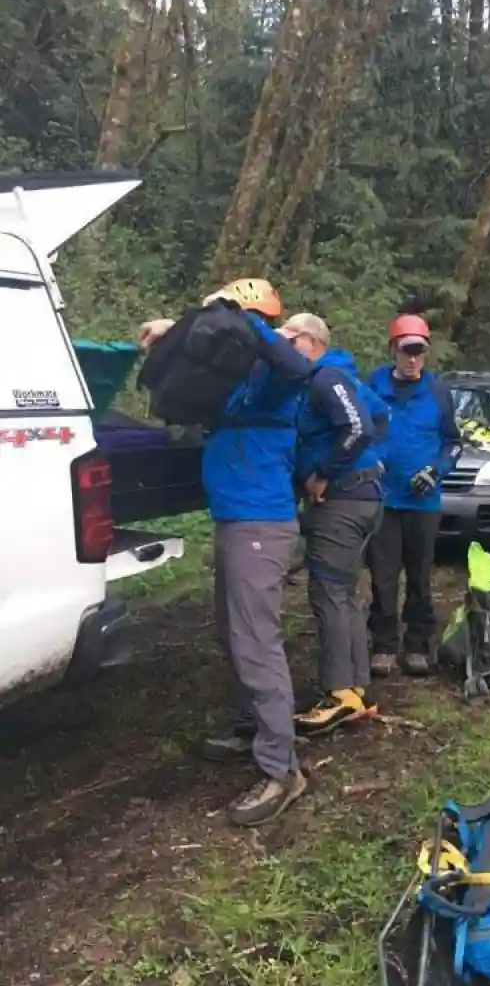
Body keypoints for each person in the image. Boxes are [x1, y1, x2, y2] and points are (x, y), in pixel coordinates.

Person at [139, 279, 315, 827]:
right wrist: (171, 333)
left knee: (256, 642)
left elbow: (298, 367)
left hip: (261, 523)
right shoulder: (238, 380)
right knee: (232, 633)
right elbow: (195, 364)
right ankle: (253, 728)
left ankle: (283, 769)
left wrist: (247, 318)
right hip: (235, 519)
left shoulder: (279, 378)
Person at [281, 313, 388, 736]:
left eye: (290, 339)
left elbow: (360, 427)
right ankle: (357, 689)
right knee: (343, 594)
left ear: (310, 341)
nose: (284, 347)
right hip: (360, 497)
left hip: (343, 501)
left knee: (327, 593)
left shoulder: (326, 378)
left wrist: (325, 470)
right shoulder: (341, 376)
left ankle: (339, 694)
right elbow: (380, 418)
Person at [366, 313, 462, 676]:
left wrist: (435, 471)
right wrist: (371, 464)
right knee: (382, 575)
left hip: (423, 501)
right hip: (384, 499)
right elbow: (360, 432)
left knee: (420, 575)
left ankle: (418, 643)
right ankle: (384, 643)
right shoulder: (373, 387)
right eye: (406, 351)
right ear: (393, 350)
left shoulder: (438, 392)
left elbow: (453, 444)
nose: (412, 359)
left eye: (418, 352)